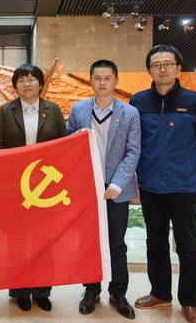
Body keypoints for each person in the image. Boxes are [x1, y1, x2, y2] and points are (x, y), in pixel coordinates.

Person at [129, 45, 196, 323]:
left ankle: (189, 301)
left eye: (167, 63)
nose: (162, 68)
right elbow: (134, 140)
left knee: (188, 244)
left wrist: (187, 165)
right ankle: (160, 293)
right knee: (155, 241)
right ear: (149, 70)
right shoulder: (138, 101)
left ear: (178, 68)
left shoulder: (195, 101)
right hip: (150, 185)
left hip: (183, 186)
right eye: (156, 64)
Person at [66, 59, 140, 319]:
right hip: (87, 188)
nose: (102, 83)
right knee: (89, 241)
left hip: (116, 190)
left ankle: (118, 292)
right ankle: (91, 289)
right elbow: (68, 142)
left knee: (116, 243)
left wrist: (117, 184)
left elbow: (133, 151)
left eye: (107, 78)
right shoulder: (79, 109)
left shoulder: (130, 113)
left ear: (115, 81)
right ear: (91, 80)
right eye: (97, 78)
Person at [0, 63, 67, 312]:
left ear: (40, 84)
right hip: (15, 186)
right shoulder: (6, 111)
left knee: (44, 240)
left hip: (45, 188)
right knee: (17, 241)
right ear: (15, 86)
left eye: (32, 79)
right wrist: (12, 172)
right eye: (21, 80)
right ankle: (21, 290)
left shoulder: (53, 110)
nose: (27, 84)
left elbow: (63, 145)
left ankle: (42, 291)